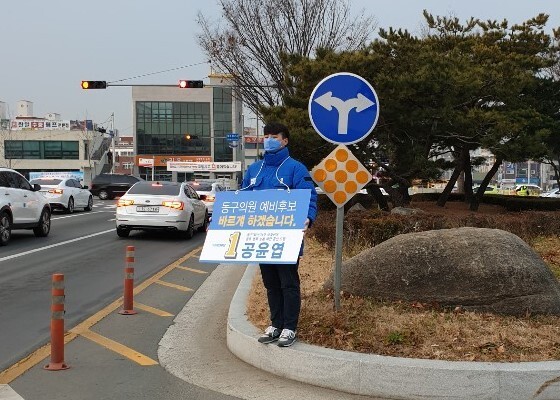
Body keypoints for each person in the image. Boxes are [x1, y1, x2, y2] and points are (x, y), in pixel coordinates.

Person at [241, 121, 317, 347]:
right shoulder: (254, 169)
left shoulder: (296, 168)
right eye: (266, 136)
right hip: (261, 237)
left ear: (285, 141)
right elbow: (241, 199)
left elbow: (309, 197)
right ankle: (276, 324)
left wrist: (308, 217)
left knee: (288, 283)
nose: (269, 139)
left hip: (287, 237)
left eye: (275, 136)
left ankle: (289, 328)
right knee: (270, 283)